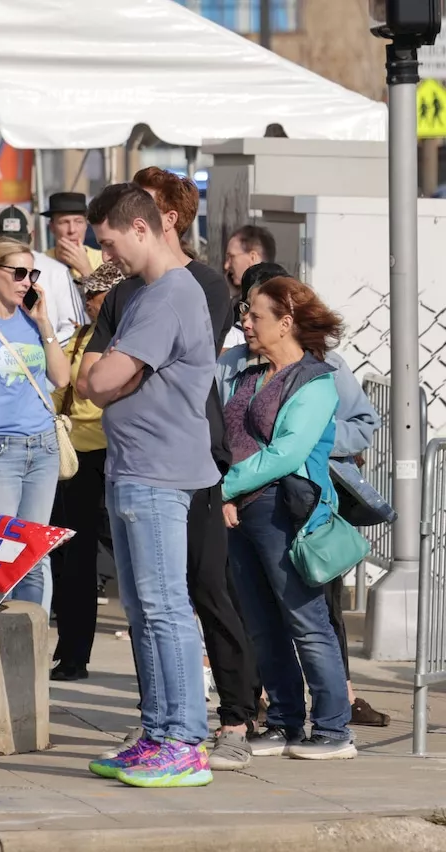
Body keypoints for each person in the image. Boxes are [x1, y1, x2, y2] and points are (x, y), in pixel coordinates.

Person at [81, 167, 258, 773]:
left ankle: (182, 738)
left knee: (163, 607)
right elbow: (94, 377)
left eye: (109, 242)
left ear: (141, 226)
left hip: (158, 472)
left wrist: (110, 376)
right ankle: (160, 731)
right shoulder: (150, 294)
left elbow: (98, 378)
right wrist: (110, 376)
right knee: (143, 608)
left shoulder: (171, 293)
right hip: (136, 467)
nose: (105, 256)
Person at [217, 262, 390, 730]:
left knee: (308, 624)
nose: (245, 323)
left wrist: (223, 488)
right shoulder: (247, 374)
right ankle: (285, 719)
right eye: (244, 314)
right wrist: (228, 498)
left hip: (285, 513)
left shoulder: (316, 379)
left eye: (254, 315)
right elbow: (230, 441)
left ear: (286, 322)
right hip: (242, 515)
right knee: (262, 626)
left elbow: (286, 452)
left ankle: (333, 726)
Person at [0, 238, 71, 610]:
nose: (27, 282)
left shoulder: (33, 322)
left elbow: (62, 377)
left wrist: (45, 323)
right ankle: (2, 645)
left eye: (31, 274)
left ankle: (32, 656)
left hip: (43, 447)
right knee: (2, 556)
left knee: (35, 556)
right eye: (19, 273)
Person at [49, 260, 124, 681]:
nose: (91, 308)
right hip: (78, 459)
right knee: (75, 558)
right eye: (88, 301)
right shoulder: (78, 340)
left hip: (120, 456)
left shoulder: (132, 340)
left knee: (132, 559)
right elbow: (60, 386)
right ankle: (73, 654)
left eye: (97, 301)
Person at [0, 206, 85, 343]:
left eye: (19, 241)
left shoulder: (55, 271)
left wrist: (42, 348)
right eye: (6, 242)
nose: (13, 248)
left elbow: (74, 327)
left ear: (32, 236)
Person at [222, 225, 277, 349]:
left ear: (253, 258)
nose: (226, 265)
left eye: (231, 257)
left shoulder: (280, 301)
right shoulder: (235, 306)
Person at [43, 192, 104, 281]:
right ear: (52, 227)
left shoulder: (103, 260)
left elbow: (107, 295)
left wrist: (85, 269)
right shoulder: (40, 262)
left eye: (78, 222)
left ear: (86, 225)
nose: (72, 230)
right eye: (64, 222)